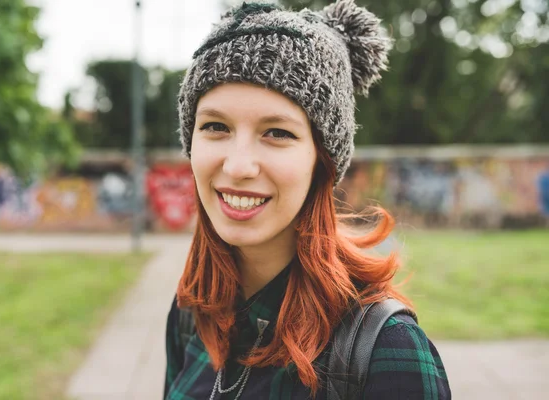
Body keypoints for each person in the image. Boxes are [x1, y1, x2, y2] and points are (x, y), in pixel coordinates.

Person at [164, 1, 451, 398]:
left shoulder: (385, 350)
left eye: (277, 132)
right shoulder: (190, 315)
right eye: (215, 126)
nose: (238, 165)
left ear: (323, 161)